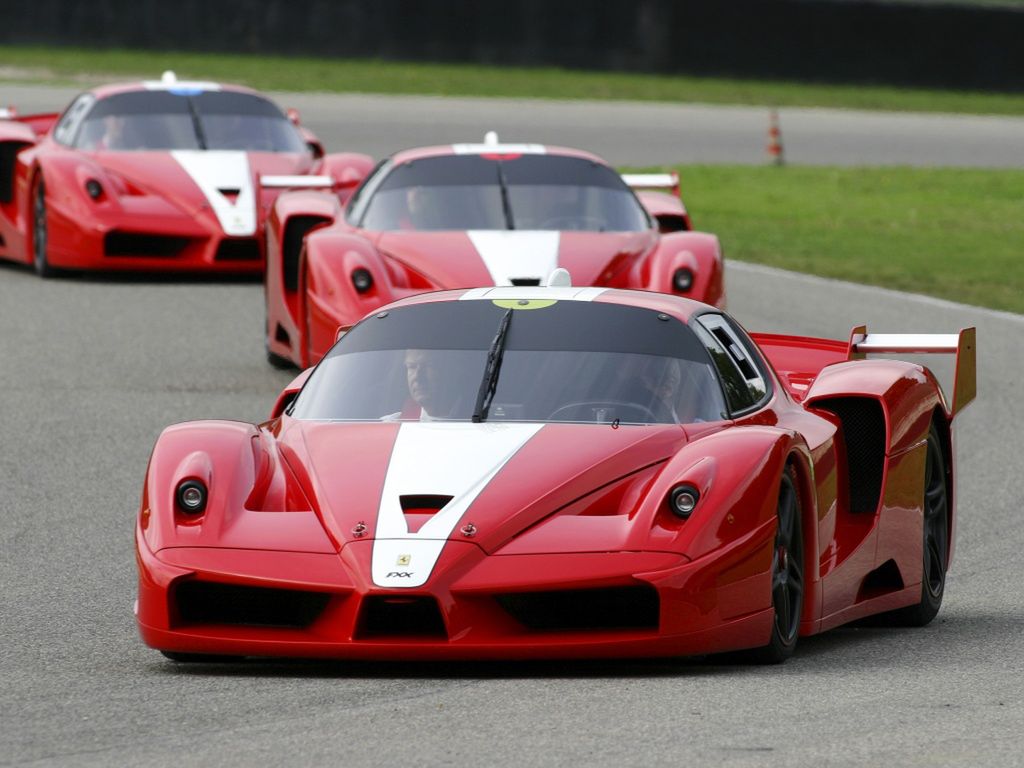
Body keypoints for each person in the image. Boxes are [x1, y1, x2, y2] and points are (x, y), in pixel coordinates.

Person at [385, 349, 466, 420]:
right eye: (412, 367)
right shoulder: (391, 427)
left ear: (450, 370)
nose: (417, 377)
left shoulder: (473, 419)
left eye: (429, 366)